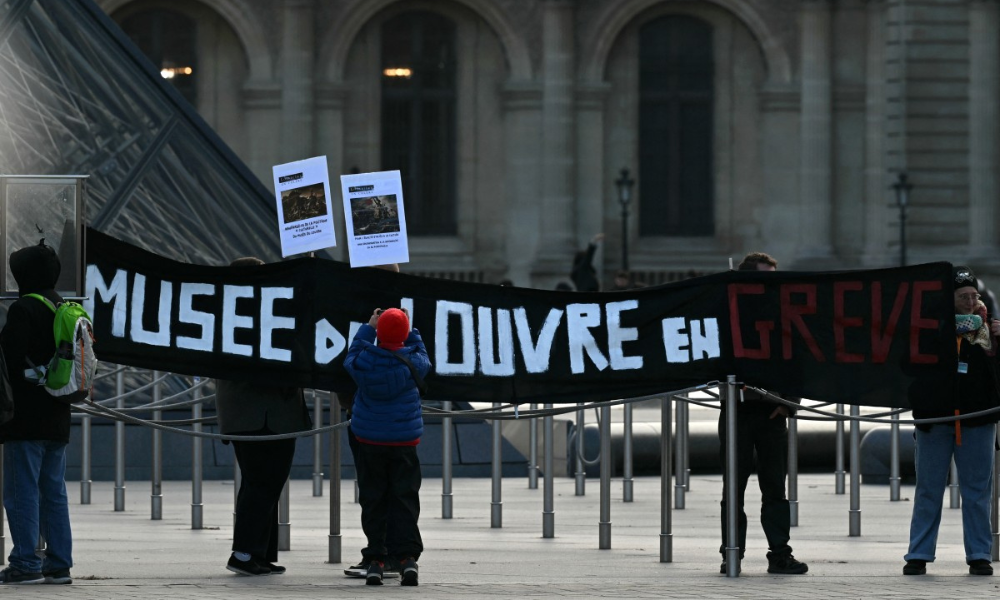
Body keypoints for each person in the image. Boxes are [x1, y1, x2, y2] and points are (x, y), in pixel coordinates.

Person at [216, 257, 312, 576]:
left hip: (248, 415)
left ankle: (258, 552)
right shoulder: (254, 315)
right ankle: (244, 552)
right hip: (266, 415)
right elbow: (275, 365)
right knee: (263, 483)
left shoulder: (227, 313)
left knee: (261, 483)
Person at [903, 265, 1000, 576]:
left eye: (974, 296)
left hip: (978, 419)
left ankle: (979, 554)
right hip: (936, 418)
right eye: (963, 297)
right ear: (950, 299)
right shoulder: (929, 329)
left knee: (977, 490)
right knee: (929, 488)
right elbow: (908, 366)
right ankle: (918, 553)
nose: (970, 302)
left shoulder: (990, 331)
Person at [719, 251, 807, 575]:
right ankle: (731, 552)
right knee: (734, 489)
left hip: (773, 414)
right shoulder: (730, 316)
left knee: (775, 489)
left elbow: (797, 362)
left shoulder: (785, 317)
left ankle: (780, 553)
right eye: (764, 278)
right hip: (737, 413)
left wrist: (788, 403)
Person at [0, 241, 74, 585]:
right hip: (58, 413)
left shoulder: (24, 309)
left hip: (25, 417)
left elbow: (10, 361)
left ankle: (25, 562)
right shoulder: (64, 306)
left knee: (21, 491)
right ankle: (59, 563)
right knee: (54, 491)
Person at [344, 307, 430, 587]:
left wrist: (369, 328)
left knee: (373, 499)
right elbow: (422, 351)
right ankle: (407, 559)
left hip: (370, 441)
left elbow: (352, 355)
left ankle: (376, 560)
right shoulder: (414, 361)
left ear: (378, 332)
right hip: (404, 442)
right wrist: (409, 328)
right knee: (405, 499)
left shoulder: (366, 360)